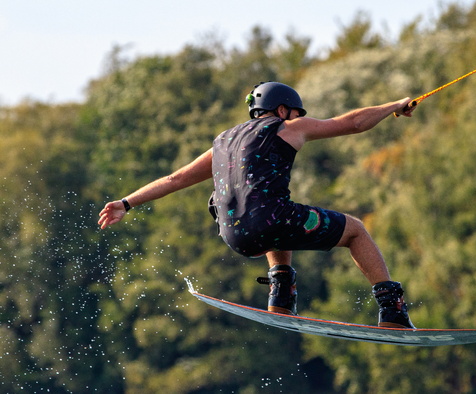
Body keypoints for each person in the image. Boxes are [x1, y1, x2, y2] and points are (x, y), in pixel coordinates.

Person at [98, 81, 416, 328]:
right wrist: (393, 106)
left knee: (273, 211)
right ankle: (393, 310)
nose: (300, 119)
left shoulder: (223, 142)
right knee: (355, 231)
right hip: (271, 220)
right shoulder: (286, 127)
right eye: (296, 113)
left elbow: (175, 178)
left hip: (235, 236)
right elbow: (354, 123)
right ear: (282, 110)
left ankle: (280, 293)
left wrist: (127, 202)